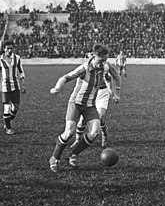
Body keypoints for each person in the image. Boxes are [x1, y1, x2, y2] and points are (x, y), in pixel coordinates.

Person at [48, 44, 111, 172]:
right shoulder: (84, 68)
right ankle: (54, 158)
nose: (102, 63)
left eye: (105, 60)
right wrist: (57, 88)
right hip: (76, 103)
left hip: (90, 106)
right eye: (101, 60)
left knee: (94, 132)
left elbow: (108, 77)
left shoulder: (104, 67)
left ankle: (73, 154)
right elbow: (65, 77)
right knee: (69, 132)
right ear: (94, 56)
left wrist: (112, 91)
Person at [75, 49, 121, 148]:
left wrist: (114, 93)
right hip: (91, 92)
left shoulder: (105, 66)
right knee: (83, 119)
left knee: (100, 117)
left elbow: (111, 78)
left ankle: (104, 135)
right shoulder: (87, 66)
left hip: (102, 93)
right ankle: (77, 140)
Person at [0, 41, 26, 135]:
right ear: (4, 49)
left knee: (15, 107)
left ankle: (8, 120)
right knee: (6, 107)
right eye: (7, 48)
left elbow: (21, 71)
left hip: (15, 85)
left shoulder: (17, 58)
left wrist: (23, 84)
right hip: (5, 87)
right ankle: (8, 128)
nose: (9, 50)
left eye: (11, 48)